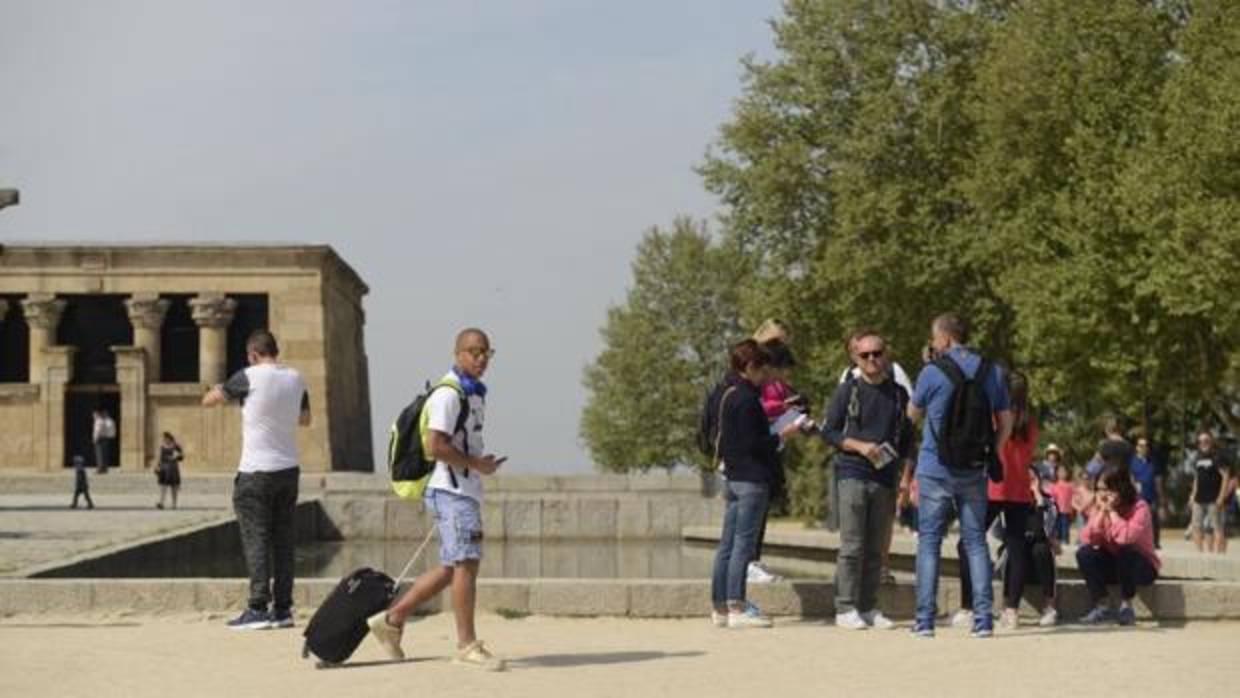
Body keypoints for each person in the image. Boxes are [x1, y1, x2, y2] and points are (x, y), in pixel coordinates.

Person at [367, 328, 507, 670]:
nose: (481, 358)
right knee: (466, 565)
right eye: (474, 351)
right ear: (458, 353)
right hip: (452, 491)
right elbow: (435, 445)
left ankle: (393, 619)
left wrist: (478, 464)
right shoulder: (449, 395)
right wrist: (477, 465)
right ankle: (466, 644)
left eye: (487, 352)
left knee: (451, 568)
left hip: (460, 489)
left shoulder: (471, 394)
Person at [906, 313, 1012, 639]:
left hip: (935, 466)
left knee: (929, 542)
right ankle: (983, 619)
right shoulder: (991, 371)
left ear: (946, 339)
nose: (933, 343)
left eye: (934, 338)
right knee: (976, 542)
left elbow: (911, 415)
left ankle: (924, 620)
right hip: (973, 469)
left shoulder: (931, 372)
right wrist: (990, 451)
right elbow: (1005, 421)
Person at [202, 329, 310, 631]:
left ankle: (258, 607)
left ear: (253, 353)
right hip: (288, 469)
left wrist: (221, 387)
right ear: (276, 350)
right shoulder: (296, 378)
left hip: (256, 471)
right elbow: (305, 419)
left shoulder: (248, 376)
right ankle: (283, 609)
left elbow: (209, 400)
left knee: (257, 539)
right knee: (284, 541)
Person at [703, 339, 801, 629]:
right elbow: (754, 443)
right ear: (750, 367)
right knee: (743, 546)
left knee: (726, 545)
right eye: (763, 370)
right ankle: (737, 605)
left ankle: (719, 606)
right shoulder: (746, 399)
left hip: (732, 477)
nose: (767, 376)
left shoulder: (726, 393)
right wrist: (784, 434)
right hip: (751, 478)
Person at [821, 329, 913, 630]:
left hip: (885, 476)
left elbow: (908, 440)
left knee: (876, 548)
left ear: (887, 355)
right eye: (865, 355)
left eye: (877, 353)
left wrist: (906, 477)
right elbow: (829, 432)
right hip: (852, 473)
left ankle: (869, 605)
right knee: (852, 544)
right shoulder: (847, 391)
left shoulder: (899, 395)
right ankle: (845, 607)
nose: (872, 359)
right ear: (855, 358)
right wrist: (859, 446)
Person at [954, 371, 1039, 631]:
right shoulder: (1030, 423)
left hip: (991, 488)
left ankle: (970, 606)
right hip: (1019, 491)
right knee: (1016, 548)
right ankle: (1011, 609)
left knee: (966, 544)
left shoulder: (994, 418)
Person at [1076, 464, 1160, 626]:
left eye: (1107, 489)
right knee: (1084, 553)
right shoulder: (1099, 506)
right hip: (1116, 566)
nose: (1102, 494)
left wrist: (1112, 513)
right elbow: (1087, 538)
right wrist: (1101, 513)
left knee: (1125, 551)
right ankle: (1102, 605)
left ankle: (1126, 606)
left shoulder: (1140, 507)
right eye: (1099, 489)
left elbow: (1125, 538)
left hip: (1142, 568)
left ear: (1120, 488)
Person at [1188, 429, 1232, 554]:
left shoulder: (1218, 457)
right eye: (1201, 441)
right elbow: (1196, 478)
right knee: (1196, 526)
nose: (1203, 443)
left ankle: (1218, 557)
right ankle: (1199, 554)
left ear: (1211, 441)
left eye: (1206, 441)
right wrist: (1192, 495)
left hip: (1214, 498)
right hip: (1199, 498)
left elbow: (1226, 476)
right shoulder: (1197, 458)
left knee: (1216, 527)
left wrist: (1221, 496)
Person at [1131, 436, 1164, 549]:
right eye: (1141, 445)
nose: (1143, 448)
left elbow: (1158, 480)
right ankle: (1138, 544)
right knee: (1139, 522)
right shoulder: (1132, 462)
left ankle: (1155, 544)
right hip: (1138, 498)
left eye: (1145, 446)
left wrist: (1162, 497)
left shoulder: (1154, 462)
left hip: (1152, 497)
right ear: (1137, 447)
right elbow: (1130, 479)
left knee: (1154, 520)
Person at [156, 432, 184, 510]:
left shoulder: (175, 446)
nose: (164, 440)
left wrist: (177, 456)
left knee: (174, 487)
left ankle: (174, 504)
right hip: (164, 468)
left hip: (173, 468)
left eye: (166, 438)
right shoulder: (162, 446)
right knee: (163, 486)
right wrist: (157, 466)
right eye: (164, 438)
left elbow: (181, 456)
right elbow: (159, 457)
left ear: (169, 438)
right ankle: (161, 502)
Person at [1050, 461, 1076, 544]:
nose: (1062, 473)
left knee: (1065, 527)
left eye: (1064, 471)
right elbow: (1052, 497)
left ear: (1068, 473)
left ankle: (1065, 540)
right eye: (1060, 471)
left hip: (1066, 510)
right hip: (1057, 510)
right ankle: (1056, 541)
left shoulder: (1071, 485)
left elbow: (1074, 497)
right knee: (1056, 526)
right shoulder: (1054, 485)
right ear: (1056, 473)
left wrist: (1073, 508)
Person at [91, 409, 117, 474]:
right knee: (104, 454)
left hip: (100, 438)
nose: (93, 416)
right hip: (105, 438)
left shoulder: (98, 421)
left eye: (94, 415)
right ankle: (104, 468)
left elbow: (97, 431)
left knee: (99, 454)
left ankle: (100, 468)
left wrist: (95, 438)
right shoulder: (106, 421)